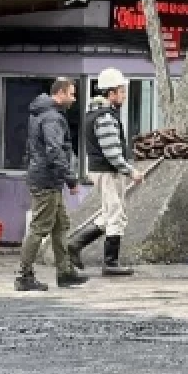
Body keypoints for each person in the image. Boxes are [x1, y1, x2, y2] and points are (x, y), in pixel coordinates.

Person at [66, 68, 143, 277]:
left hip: (101, 170)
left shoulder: (95, 113)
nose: (125, 96)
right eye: (122, 91)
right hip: (108, 172)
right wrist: (130, 171)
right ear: (111, 93)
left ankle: (75, 244)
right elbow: (112, 152)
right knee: (116, 215)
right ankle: (110, 262)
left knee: (110, 214)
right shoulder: (106, 117)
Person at [16, 77, 88, 292]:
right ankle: (24, 275)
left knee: (60, 226)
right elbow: (55, 150)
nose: (74, 99)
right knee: (39, 227)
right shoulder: (51, 118)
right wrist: (71, 179)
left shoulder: (41, 113)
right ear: (61, 93)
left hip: (46, 178)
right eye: (72, 94)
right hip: (47, 180)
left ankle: (65, 272)